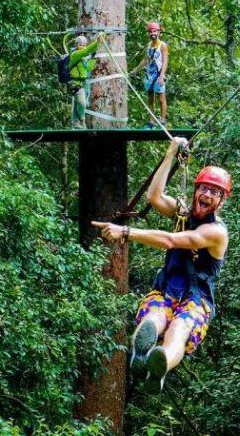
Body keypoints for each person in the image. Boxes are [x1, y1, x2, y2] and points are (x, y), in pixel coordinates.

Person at [92, 137, 231, 389]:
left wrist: (125, 232)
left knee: (179, 327)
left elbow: (169, 240)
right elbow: (154, 196)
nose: (207, 194)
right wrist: (170, 154)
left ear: (221, 202)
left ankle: (161, 364)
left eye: (215, 192)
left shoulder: (216, 232)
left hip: (196, 300)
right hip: (166, 290)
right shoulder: (182, 213)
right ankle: (141, 354)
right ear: (195, 190)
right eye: (203, 189)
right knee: (153, 318)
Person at [131, 21, 169, 128]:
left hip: (158, 74)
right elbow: (145, 60)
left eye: (155, 31)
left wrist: (162, 75)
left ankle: (162, 120)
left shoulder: (163, 45)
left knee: (161, 98)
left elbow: (165, 61)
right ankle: (151, 121)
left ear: (158, 32)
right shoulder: (148, 45)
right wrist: (136, 70)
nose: (153, 33)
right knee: (150, 99)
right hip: (149, 75)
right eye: (151, 31)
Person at [64, 32, 104, 128]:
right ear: (77, 45)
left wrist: (93, 58)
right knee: (82, 102)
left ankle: (76, 123)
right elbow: (86, 51)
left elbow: (88, 68)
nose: (82, 46)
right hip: (74, 83)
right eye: (80, 44)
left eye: (84, 45)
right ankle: (82, 121)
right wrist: (98, 41)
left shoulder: (82, 58)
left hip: (82, 84)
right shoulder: (75, 55)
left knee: (79, 102)